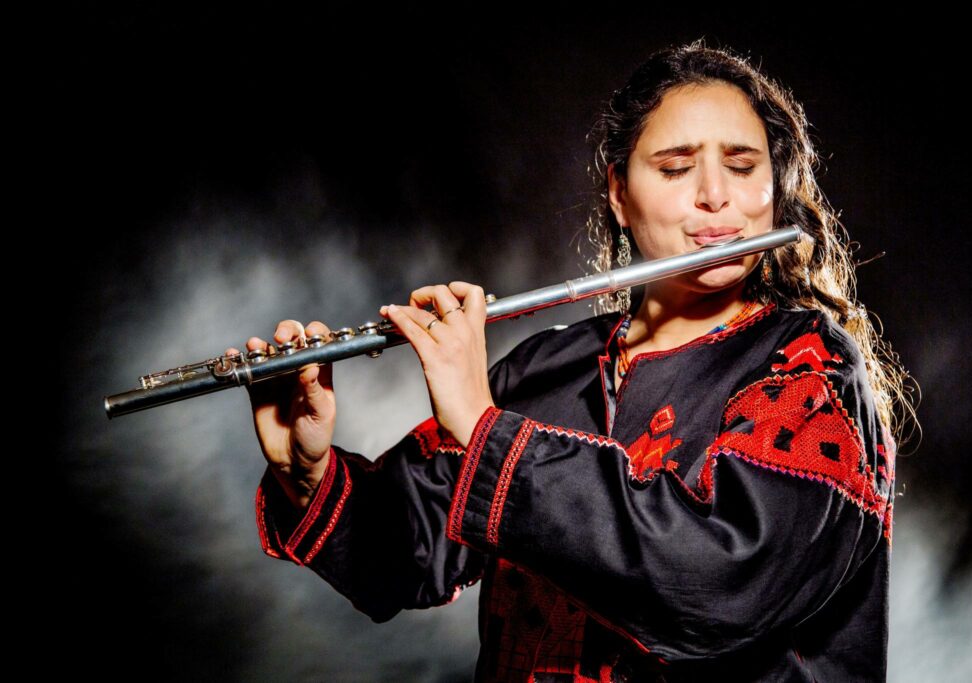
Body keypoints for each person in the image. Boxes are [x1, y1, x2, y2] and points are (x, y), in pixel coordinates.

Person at [228, 39, 912, 681]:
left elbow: (721, 580)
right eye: (676, 167)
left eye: (743, 165)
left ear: (773, 187)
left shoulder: (808, 366)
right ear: (619, 192)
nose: (716, 197)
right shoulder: (543, 369)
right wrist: (307, 469)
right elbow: (402, 554)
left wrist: (485, 428)